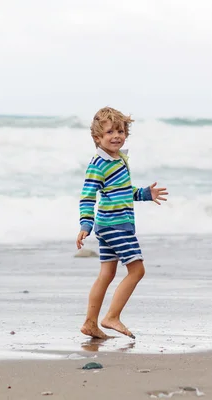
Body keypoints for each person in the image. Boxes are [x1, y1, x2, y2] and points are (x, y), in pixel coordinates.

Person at [76, 106, 168, 339]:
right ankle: (112, 317)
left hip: (110, 226)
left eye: (120, 131)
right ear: (98, 138)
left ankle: (90, 323)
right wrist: (85, 224)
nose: (116, 136)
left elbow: (122, 192)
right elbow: (88, 195)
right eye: (109, 132)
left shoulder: (118, 160)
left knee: (106, 273)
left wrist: (146, 194)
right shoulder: (99, 163)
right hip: (115, 226)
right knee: (137, 270)